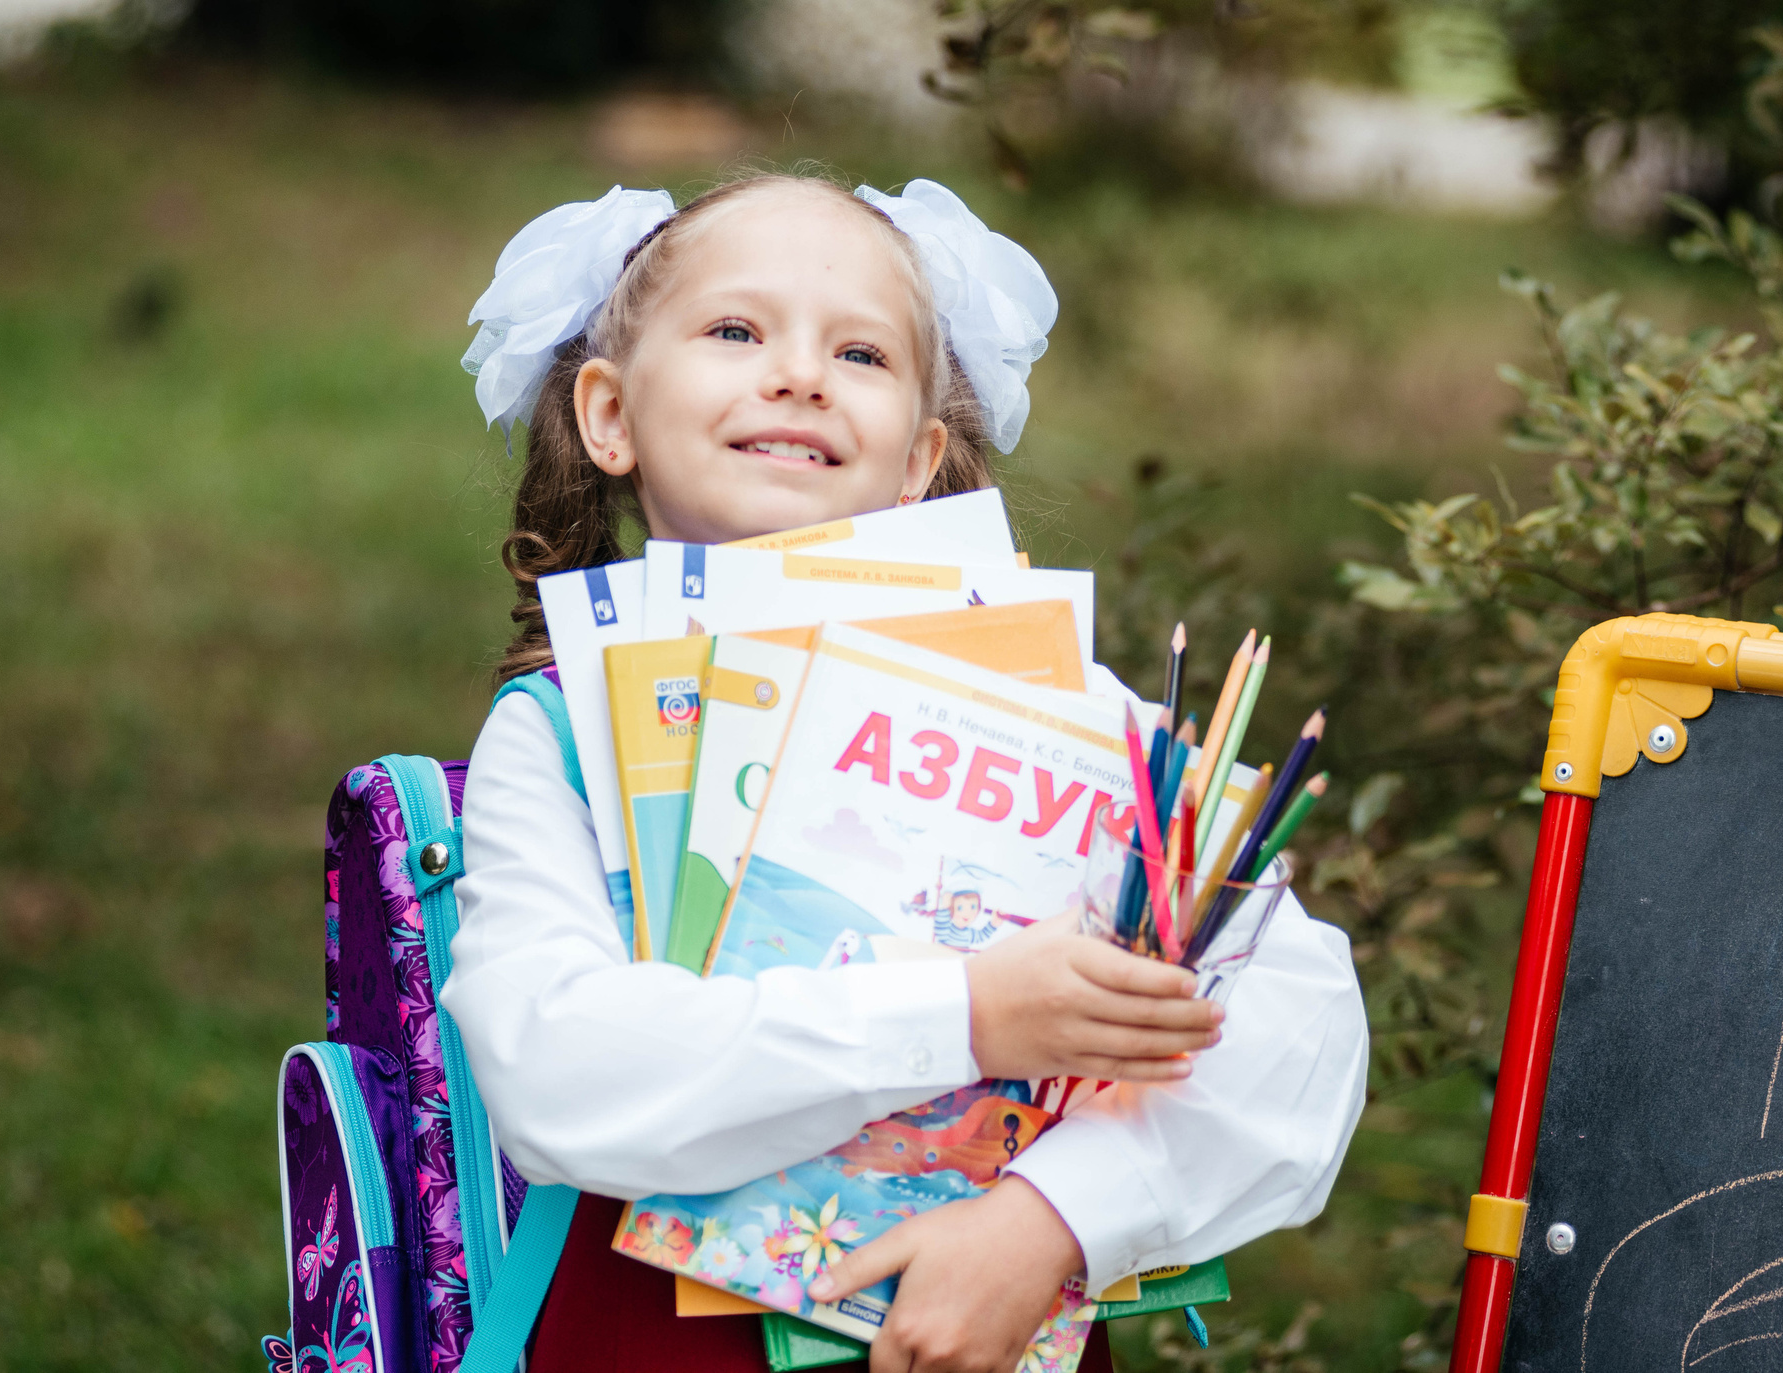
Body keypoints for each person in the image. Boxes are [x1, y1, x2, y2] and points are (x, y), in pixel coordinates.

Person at [441, 173, 1370, 1373]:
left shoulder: (1057, 711)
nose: (799, 374)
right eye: (734, 330)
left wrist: (1056, 1217)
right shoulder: (561, 734)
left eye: (862, 353)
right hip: (650, 1339)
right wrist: (966, 1013)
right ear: (609, 413)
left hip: (984, 1318)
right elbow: (554, 1063)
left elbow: (1297, 1013)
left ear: (920, 461)